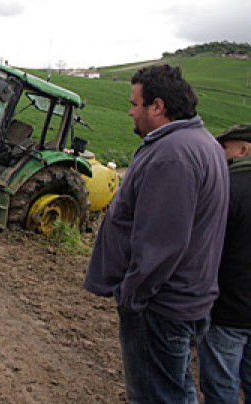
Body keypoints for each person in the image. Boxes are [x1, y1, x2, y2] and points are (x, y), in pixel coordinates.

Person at [83, 64, 229, 402]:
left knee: (158, 396)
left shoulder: (173, 155)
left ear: (158, 106)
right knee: (175, 390)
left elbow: (162, 243)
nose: (131, 112)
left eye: (135, 103)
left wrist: (132, 296)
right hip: (184, 298)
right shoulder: (201, 144)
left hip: (160, 307)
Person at [198, 123, 251, 404]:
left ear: (244, 150)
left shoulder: (227, 189)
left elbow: (206, 246)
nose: (221, 155)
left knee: (221, 387)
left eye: (225, 149)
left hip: (228, 309)